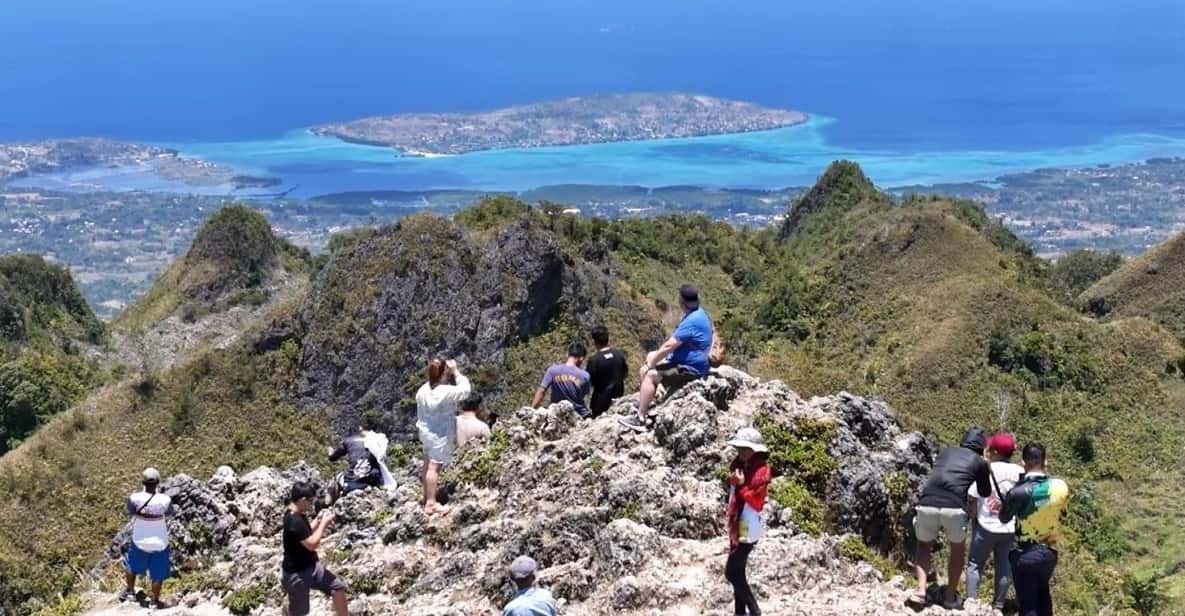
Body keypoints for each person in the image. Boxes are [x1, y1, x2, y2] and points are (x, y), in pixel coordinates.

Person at [907, 427, 992, 609]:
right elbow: (985, 492)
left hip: (927, 502)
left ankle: (921, 591)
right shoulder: (980, 461)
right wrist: (985, 466)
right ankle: (949, 597)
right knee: (957, 549)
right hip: (954, 507)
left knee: (923, 545)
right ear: (982, 448)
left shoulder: (945, 452)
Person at [618, 284, 713, 431]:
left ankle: (641, 418)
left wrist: (651, 364)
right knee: (651, 356)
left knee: (649, 374)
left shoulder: (691, 321)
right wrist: (653, 359)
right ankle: (650, 397)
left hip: (690, 369)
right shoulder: (701, 313)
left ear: (682, 301)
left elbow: (669, 346)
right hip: (695, 362)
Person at [1000, 443, 1070, 616]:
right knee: (1044, 595)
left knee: (1028, 605)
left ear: (1023, 462)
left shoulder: (1017, 491)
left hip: (1025, 554)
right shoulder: (1060, 487)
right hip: (1050, 554)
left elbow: (1004, 518)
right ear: (1045, 462)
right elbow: (1062, 515)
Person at [965, 432, 1024, 611]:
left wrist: (973, 516)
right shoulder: (1020, 472)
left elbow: (972, 495)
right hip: (1008, 528)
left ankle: (971, 602)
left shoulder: (986, 468)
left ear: (996, 451)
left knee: (975, 564)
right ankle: (998, 606)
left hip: (985, 525)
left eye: (991, 448)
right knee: (1004, 567)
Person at [281, 482, 347, 616]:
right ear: (303, 500)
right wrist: (324, 524)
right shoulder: (294, 520)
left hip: (312, 567)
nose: (311, 505)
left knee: (337, 588)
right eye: (310, 502)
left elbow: (305, 534)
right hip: (297, 575)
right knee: (300, 612)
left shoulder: (297, 514)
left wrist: (317, 520)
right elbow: (312, 544)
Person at [415, 358, 470, 515]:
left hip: (425, 432)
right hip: (439, 433)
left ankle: (426, 497)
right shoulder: (445, 392)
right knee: (434, 467)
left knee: (427, 463)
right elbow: (465, 390)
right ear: (443, 373)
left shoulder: (423, 390)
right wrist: (456, 371)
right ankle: (431, 503)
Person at [725, 427, 771, 616]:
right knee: (739, 571)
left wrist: (741, 485)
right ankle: (740, 612)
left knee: (732, 572)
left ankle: (754, 610)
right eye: (740, 448)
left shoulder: (761, 471)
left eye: (746, 449)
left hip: (749, 524)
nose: (741, 452)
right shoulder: (739, 466)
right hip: (738, 523)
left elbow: (756, 501)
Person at [118, 468, 175, 609]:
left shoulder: (134, 498)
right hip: (160, 542)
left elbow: (130, 511)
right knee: (157, 574)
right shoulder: (165, 499)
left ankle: (130, 592)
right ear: (158, 483)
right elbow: (169, 513)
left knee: (131, 565)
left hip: (139, 540)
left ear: (143, 482)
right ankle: (154, 601)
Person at [326, 423, 386, 504]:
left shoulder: (349, 440)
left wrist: (330, 451)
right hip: (372, 483)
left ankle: (328, 505)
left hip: (352, 481)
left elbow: (332, 457)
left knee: (335, 479)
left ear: (360, 428)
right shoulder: (378, 441)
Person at [531, 343, 591, 418]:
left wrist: (532, 410)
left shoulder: (552, 370)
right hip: (580, 414)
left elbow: (541, 391)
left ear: (567, 354)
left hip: (557, 413)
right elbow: (584, 394)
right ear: (581, 358)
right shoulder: (585, 375)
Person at [586, 326, 628, 418]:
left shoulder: (594, 360)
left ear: (595, 341)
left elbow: (589, 381)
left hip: (600, 403)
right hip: (618, 399)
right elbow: (625, 373)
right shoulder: (619, 355)